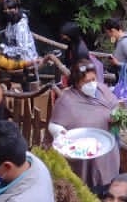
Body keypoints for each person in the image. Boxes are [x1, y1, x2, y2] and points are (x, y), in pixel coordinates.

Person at [48, 62, 117, 190]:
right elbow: (54, 124)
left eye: (93, 79)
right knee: (85, 190)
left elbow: (117, 107)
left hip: (105, 150)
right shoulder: (66, 101)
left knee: (106, 189)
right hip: (81, 155)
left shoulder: (103, 90)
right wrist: (59, 132)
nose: (91, 84)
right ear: (76, 82)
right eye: (86, 82)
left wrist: (117, 116)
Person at [49, 21, 103, 89]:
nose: (62, 36)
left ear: (71, 34)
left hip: (79, 81)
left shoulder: (80, 51)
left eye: (64, 35)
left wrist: (72, 83)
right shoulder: (72, 43)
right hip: (72, 74)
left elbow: (81, 71)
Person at [0, 0, 39, 66]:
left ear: (16, 8)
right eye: (5, 9)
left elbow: (22, 49)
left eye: (10, 8)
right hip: (15, 54)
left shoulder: (21, 26)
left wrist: (6, 49)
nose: (7, 11)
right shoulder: (11, 20)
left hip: (27, 59)